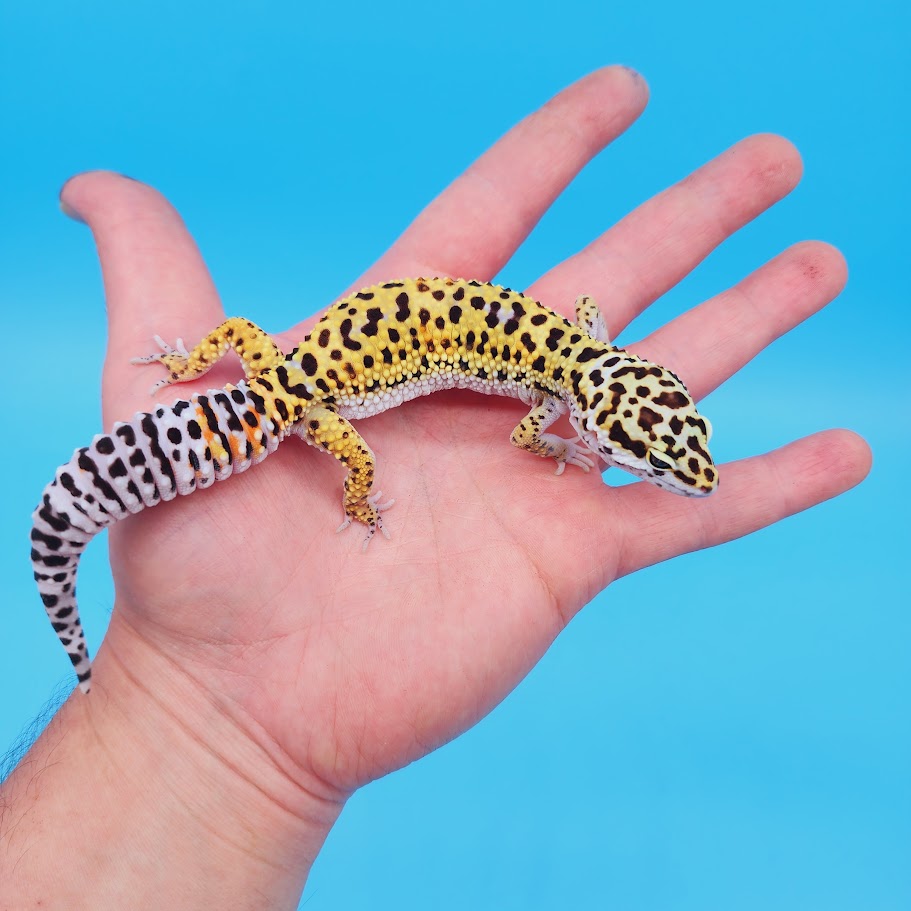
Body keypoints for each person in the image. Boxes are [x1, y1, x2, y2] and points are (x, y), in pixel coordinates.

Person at [0, 66, 870, 908]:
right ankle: (339, 499)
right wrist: (546, 455)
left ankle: (136, 480)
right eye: (656, 457)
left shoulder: (580, 346)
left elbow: (570, 357)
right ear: (606, 418)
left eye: (675, 452)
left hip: (285, 365)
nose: (679, 471)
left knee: (236, 343)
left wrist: (195, 367)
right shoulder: (555, 395)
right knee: (363, 467)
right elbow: (535, 430)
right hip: (314, 400)